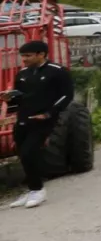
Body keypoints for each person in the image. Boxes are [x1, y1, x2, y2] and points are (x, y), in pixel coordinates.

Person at [6, 40, 73, 209]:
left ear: (41, 54)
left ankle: (38, 190)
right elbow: (19, 98)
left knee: (29, 152)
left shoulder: (57, 72)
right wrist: (9, 98)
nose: (24, 59)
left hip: (43, 120)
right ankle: (31, 190)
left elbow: (67, 95)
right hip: (23, 119)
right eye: (23, 56)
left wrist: (49, 113)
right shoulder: (22, 74)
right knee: (22, 153)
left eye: (28, 56)